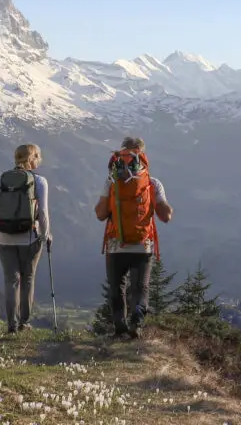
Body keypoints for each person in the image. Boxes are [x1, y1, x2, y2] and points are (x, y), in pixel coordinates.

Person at [96, 136, 173, 339]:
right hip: (142, 245)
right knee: (141, 287)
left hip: (115, 244)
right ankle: (136, 325)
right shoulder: (153, 183)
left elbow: (100, 214)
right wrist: (163, 206)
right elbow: (165, 216)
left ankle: (119, 327)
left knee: (117, 286)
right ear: (143, 154)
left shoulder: (111, 181)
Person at [0, 143, 51, 334]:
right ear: (32, 158)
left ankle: (11, 325)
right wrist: (45, 235)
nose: (39, 160)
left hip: (2, 237)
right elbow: (42, 214)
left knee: (11, 280)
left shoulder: (5, 178)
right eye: (38, 156)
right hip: (28, 238)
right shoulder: (39, 181)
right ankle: (24, 323)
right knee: (27, 278)